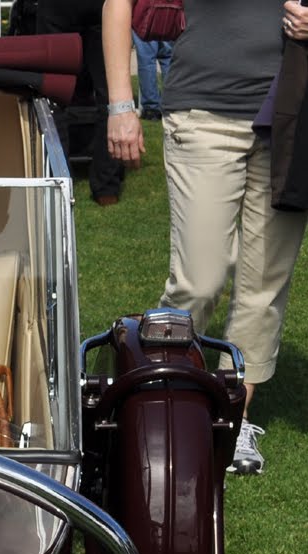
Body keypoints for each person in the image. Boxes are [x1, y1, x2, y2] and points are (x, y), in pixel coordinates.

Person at [103, 0, 308, 474]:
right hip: (203, 114)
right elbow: (118, 5)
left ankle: (232, 419)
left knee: (264, 283)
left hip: (291, 119)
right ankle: (152, 395)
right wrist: (120, 104)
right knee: (201, 278)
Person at [38, 0, 126, 205]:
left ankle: (58, 176)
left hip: (57, 9)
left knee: (53, 95)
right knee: (108, 94)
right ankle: (106, 187)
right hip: (99, 6)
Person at [132, 31, 173, 120]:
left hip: (144, 20)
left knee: (147, 60)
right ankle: (172, 102)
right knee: (168, 58)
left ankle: (151, 108)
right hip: (167, 20)